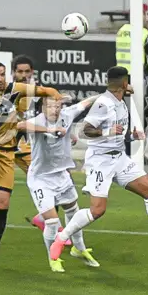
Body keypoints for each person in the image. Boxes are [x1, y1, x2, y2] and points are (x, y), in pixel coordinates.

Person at [49, 66, 148, 263]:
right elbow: (85, 131)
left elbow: (115, 132)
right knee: (97, 210)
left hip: (119, 158)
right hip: (100, 161)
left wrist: (130, 136)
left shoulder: (120, 100)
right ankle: (60, 239)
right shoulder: (104, 103)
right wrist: (108, 133)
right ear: (125, 82)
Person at [0, 61, 61, 275]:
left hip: (9, 150)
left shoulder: (17, 89)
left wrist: (57, 106)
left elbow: (47, 91)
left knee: (3, 202)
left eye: (2, 74)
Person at [18, 95, 101, 272]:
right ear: (42, 108)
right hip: (40, 178)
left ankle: (79, 248)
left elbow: (85, 103)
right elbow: (20, 125)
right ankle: (53, 258)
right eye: (50, 106)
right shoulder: (37, 121)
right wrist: (48, 130)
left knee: (73, 210)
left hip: (62, 175)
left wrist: (108, 93)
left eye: (57, 106)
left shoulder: (67, 114)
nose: (54, 110)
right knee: (52, 222)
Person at [115, 3, 148, 164]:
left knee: (127, 118)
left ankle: (129, 152)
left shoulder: (122, 31)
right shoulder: (143, 34)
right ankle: (134, 152)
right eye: (146, 15)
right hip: (138, 80)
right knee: (139, 119)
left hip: (122, 79)